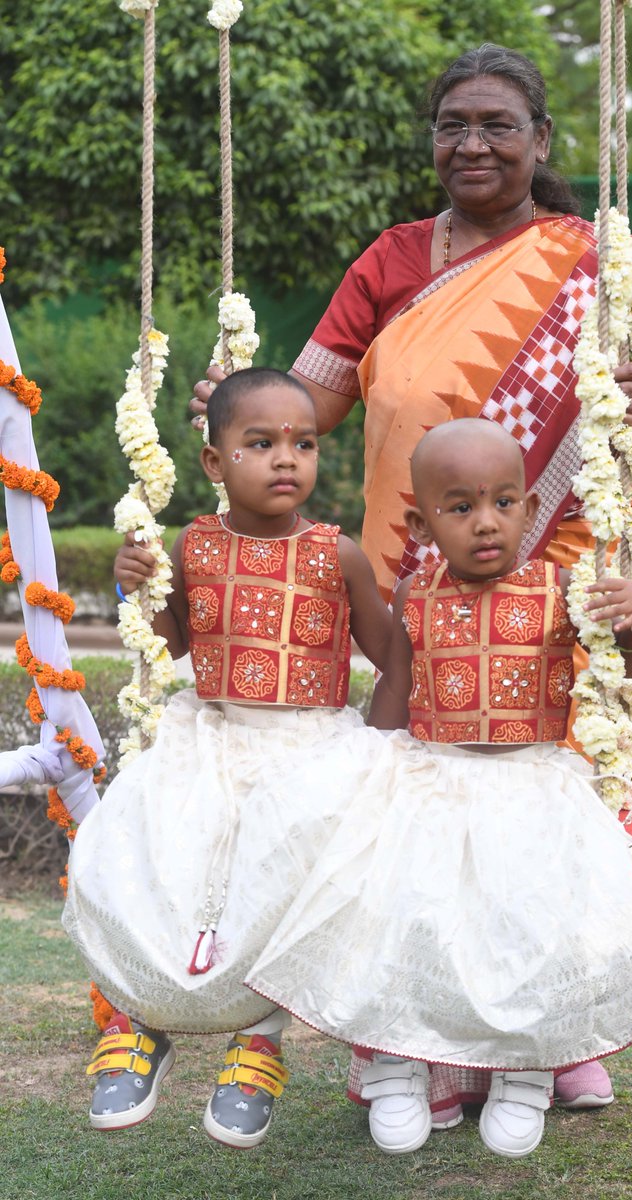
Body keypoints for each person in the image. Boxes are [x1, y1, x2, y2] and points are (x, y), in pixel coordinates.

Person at [192, 43, 632, 1116]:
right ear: (432, 142)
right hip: (419, 587)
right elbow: (313, 399)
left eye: (496, 125)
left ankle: (550, 1030)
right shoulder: (392, 260)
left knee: (550, 828)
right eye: (452, 125)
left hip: (559, 586)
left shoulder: (603, 255)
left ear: (539, 141)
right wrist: (238, 404)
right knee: (418, 825)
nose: (471, 143)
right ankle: (416, 1039)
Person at [245, 418, 632, 1158]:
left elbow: (626, 670)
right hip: (430, 785)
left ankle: (524, 1073)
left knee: (529, 931)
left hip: (530, 790)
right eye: (460, 507)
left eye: (504, 502)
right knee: (403, 920)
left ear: (531, 510)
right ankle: (397, 1068)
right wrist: (361, 775)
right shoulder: (415, 590)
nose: (485, 523)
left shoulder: (560, 590)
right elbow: (396, 687)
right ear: (422, 522)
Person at [62, 368, 394, 1148]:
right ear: (215, 464)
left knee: (283, 875)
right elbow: (174, 640)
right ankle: (141, 1023)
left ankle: (260, 1041)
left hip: (310, 744)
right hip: (207, 732)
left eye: (303, 443)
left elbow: (392, 655)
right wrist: (135, 587)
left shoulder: (335, 554)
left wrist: (384, 751)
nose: (287, 459)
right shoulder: (194, 543)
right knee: (140, 853)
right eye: (261, 443)